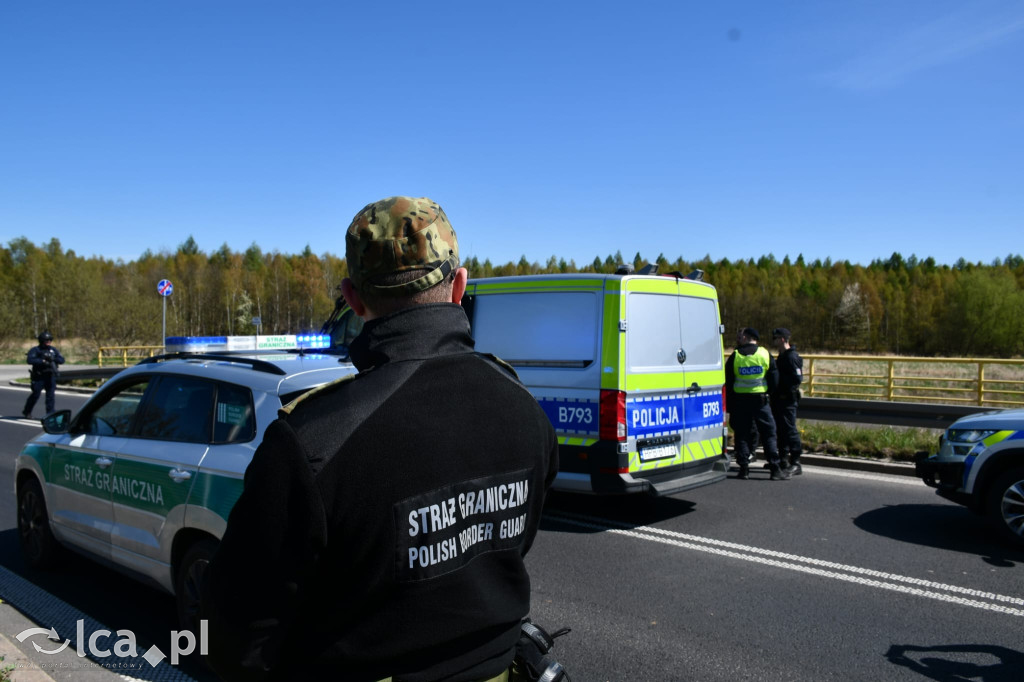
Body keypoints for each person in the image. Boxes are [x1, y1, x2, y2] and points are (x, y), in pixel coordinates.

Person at [202, 196, 559, 681]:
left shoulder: (313, 441)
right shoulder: (522, 407)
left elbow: (234, 634)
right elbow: (513, 545)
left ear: (352, 298)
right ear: (460, 286)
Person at [725, 327, 789, 481]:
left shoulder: (736, 356)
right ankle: (775, 468)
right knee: (768, 433)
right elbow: (774, 379)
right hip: (761, 401)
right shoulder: (764, 354)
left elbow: (728, 380)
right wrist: (768, 393)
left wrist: (732, 403)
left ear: (746, 337)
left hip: (741, 401)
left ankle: (744, 469)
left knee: (742, 434)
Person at [771, 327, 804, 475]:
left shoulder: (791, 357)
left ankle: (796, 462)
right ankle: (783, 459)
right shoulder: (782, 355)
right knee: (781, 430)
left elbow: (797, 379)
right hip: (779, 399)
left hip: (787, 399)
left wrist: (782, 384)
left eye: (776, 338)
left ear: (782, 339)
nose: (775, 341)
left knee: (790, 430)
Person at [23, 331, 64, 418]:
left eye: (50, 340)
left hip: (50, 376)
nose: (49, 341)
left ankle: (50, 414)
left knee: (50, 396)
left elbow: (61, 360)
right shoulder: (36, 350)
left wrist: (53, 359)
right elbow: (30, 360)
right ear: (41, 341)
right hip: (39, 377)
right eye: (47, 340)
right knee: (35, 394)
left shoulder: (53, 350)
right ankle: (27, 411)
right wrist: (42, 361)